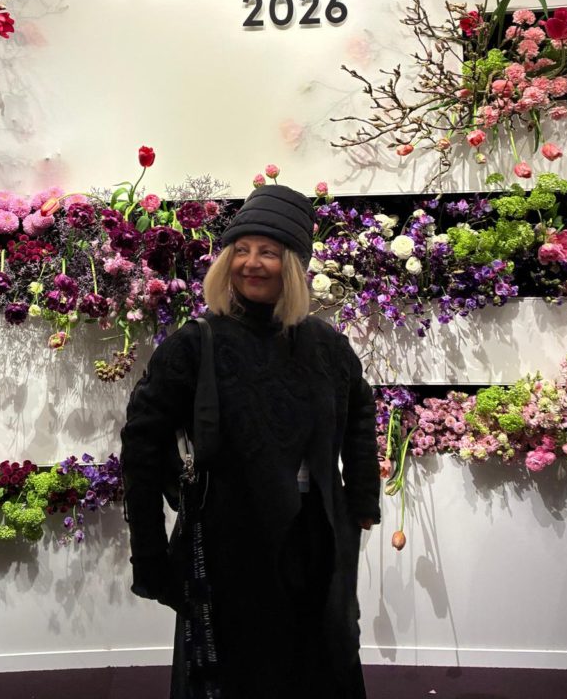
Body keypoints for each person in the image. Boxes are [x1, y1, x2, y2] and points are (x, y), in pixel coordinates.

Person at [120, 184, 380, 698]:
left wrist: (362, 501)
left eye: (268, 252)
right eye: (241, 249)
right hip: (229, 544)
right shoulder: (195, 344)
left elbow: (359, 414)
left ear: (294, 266)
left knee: (320, 662)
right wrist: (148, 553)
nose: (251, 263)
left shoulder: (325, 344)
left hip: (316, 539)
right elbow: (142, 446)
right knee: (240, 672)